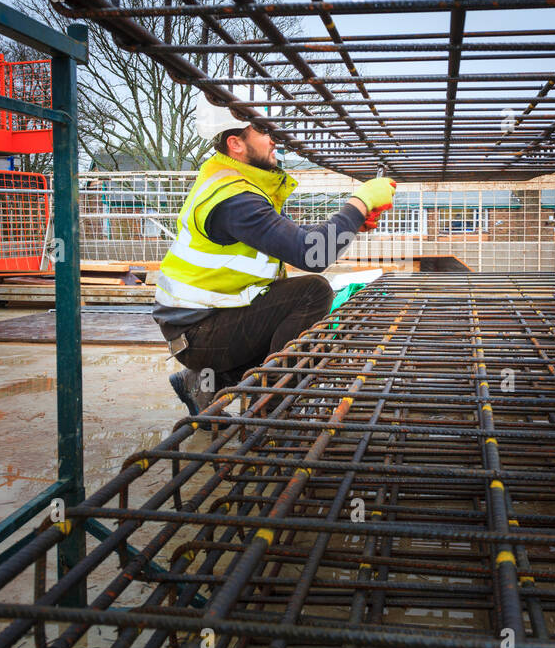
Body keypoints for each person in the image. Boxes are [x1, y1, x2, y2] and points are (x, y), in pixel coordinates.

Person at [156, 90, 396, 418]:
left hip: (198, 324)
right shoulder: (235, 198)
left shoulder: (233, 182)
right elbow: (312, 255)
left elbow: (295, 238)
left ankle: (207, 382)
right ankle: (270, 411)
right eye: (263, 130)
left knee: (296, 318)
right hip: (199, 332)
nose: (274, 139)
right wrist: (358, 204)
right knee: (312, 294)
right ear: (235, 144)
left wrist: (351, 222)